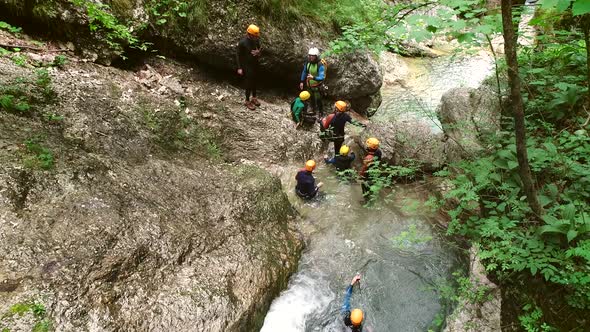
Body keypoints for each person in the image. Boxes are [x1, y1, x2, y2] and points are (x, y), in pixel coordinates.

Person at [236, 24, 261, 110]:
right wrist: (239, 67)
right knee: (249, 83)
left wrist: (258, 52)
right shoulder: (243, 42)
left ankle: (254, 98)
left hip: (255, 64)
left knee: (255, 81)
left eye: (256, 36)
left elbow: (259, 49)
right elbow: (238, 55)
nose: (256, 37)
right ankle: (247, 101)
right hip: (246, 65)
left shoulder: (256, 40)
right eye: (255, 36)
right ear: (249, 34)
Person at [299, 47, 325, 115]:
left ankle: (320, 112)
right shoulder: (308, 63)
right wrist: (302, 81)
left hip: (317, 86)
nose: (310, 57)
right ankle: (313, 109)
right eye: (309, 55)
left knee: (318, 99)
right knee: (311, 98)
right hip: (309, 85)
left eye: (312, 56)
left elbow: (322, 77)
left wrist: (313, 77)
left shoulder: (320, 65)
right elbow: (304, 72)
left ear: (316, 56)